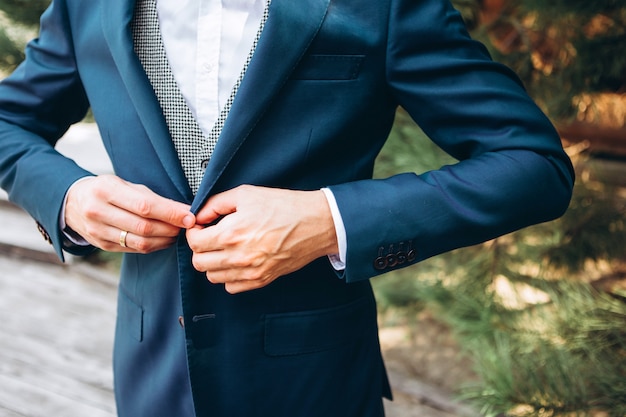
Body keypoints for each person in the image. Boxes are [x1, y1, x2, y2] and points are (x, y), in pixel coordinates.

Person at [0, 0, 574, 415]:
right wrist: (70, 198)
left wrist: (330, 221)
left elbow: (533, 164)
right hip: (152, 374)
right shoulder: (85, 6)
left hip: (312, 381)